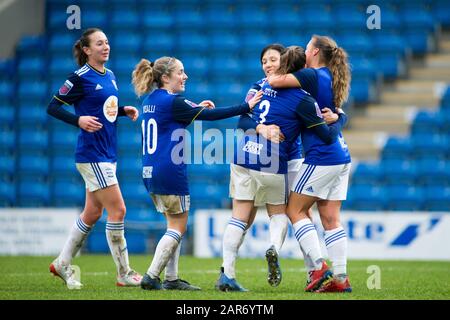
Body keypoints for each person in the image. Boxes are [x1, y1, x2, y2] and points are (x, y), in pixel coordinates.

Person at [216, 46, 347, 292]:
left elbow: (244, 118)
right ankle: (310, 265)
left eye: (273, 59)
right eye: (264, 60)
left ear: (284, 62)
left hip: (268, 157)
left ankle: (229, 274)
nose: (267, 65)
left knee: (266, 214)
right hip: (276, 157)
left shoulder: (276, 87)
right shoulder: (274, 88)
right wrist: (261, 129)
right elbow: (244, 120)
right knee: (287, 212)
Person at [131, 56, 263, 291]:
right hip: (170, 170)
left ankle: (171, 279)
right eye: (180, 72)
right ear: (165, 78)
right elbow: (210, 116)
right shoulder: (174, 102)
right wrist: (246, 107)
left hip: (150, 170)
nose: (185, 76)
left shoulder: (151, 100)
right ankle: (151, 276)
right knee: (178, 227)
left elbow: (175, 117)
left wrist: (197, 107)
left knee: (172, 224)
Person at [47, 28, 142, 289]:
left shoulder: (109, 75)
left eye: (107, 42)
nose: (106, 46)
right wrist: (78, 119)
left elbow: (103, 109)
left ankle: (62, 263)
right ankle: (124, 272)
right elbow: (53, 106)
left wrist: (122, 110)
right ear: (87, 50)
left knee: (92, 212)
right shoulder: (79, 78)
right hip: (92, 155)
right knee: (118, 210)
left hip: (107, 153)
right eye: (99, 43)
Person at [268, 35, 352, 292]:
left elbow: (273, 80)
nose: (304, 51)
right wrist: (339, 117)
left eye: (306, 48)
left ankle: (318, 267)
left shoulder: (311, 76)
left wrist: (279, 66)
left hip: (321, 156)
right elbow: (337, 115)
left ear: (314, 52)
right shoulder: (329, 76)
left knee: (295, 211)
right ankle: (340, 279)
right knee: (330, 218)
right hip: (341, 153)